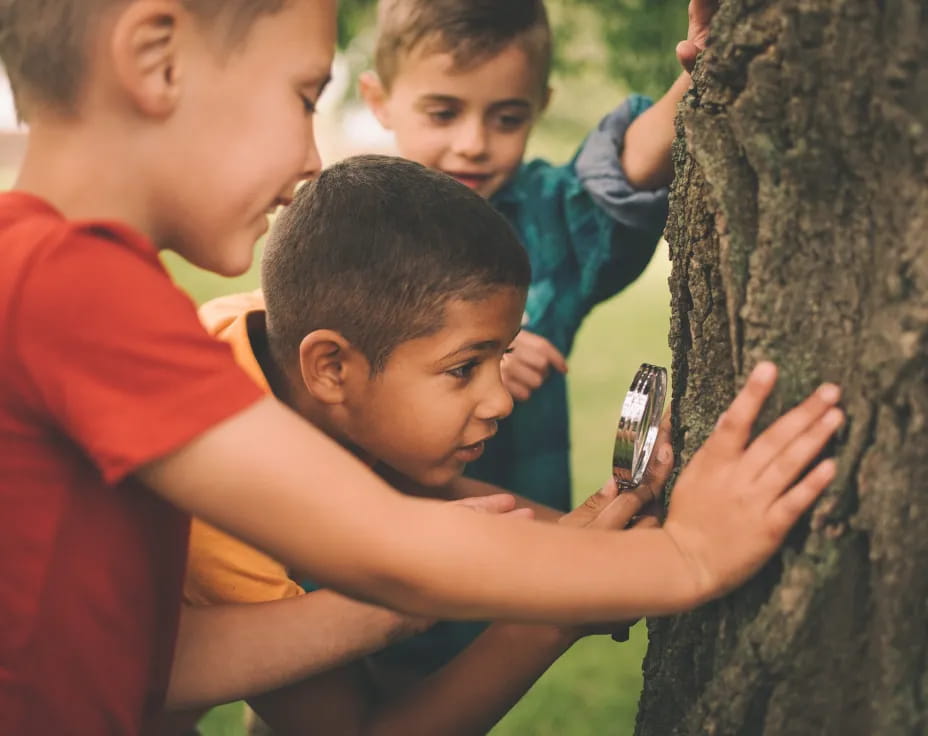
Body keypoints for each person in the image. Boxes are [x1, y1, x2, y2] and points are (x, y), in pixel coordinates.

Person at [0, 1, 843, 732]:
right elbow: (383, 542)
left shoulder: (61, 281)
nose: (310, 159)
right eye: (303, 97)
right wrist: (687, 558)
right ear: (156, 60)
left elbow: (164, 654)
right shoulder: (69, 286)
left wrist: (576, 551)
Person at [173, 154, 668, 735]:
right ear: (330, 367)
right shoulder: (220, 515)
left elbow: (395, 481)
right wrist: (547, 618)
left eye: (501, 356)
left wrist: (597, 546)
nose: (501, 401)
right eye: (464, 368)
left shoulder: (284, 345)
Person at [359, 0, 707, 511]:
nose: (474, 143)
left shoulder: (544, 221)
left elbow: (625, 173)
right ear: (379, 100)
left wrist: (702, 72)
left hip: (529, 546)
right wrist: (478, 359)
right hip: (377, 546)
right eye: (443, 113)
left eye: (507, 118)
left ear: (540, 105)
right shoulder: (349, 234)